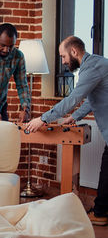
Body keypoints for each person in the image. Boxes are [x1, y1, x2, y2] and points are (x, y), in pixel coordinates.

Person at [26, 36, 108, 226]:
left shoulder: (91, 68)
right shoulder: (95, 65)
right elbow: (91, 99)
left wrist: (43, 118)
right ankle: (101, 211)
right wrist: (75, 117)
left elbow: (72, 99)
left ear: (73, 52)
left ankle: (101, 212)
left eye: (63, 56)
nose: (62, 61)